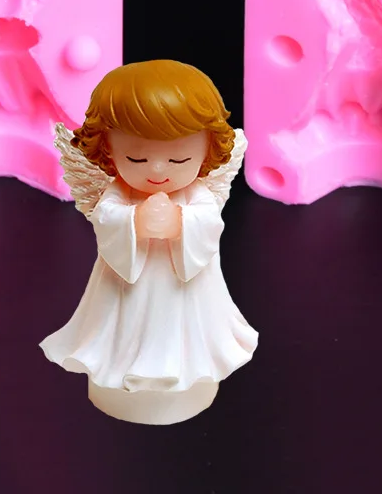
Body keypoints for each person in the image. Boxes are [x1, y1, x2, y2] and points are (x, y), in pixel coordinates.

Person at [41, 59, 258, 424]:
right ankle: (120, 373)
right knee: (120, 333)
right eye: (137, 157)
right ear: (108, 149)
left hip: (186, 295)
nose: (157, 170)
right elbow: (106, 218)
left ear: (207, 150)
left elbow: (209, 223)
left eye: (179, 158)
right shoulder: (118, 193)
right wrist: (133, 222)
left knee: (189, 337)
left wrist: (181, 223)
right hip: (126, 293)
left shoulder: (197, 195)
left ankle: (187, 374)